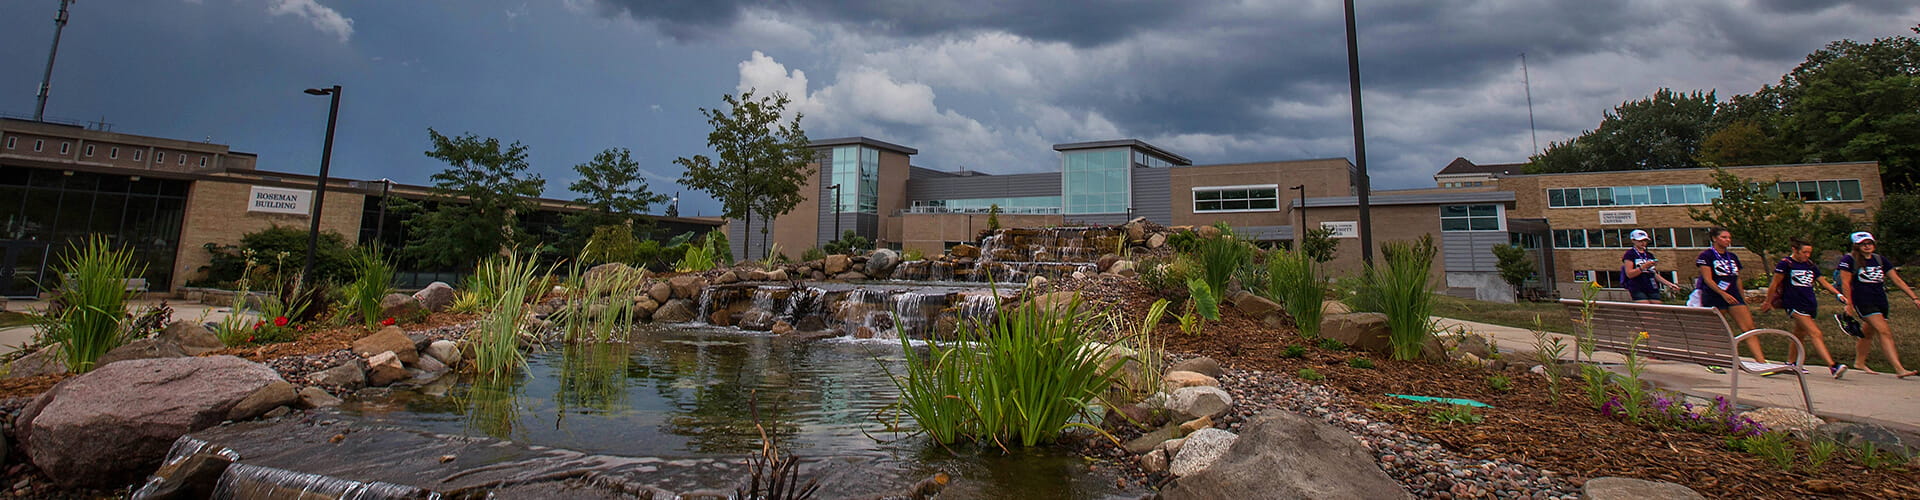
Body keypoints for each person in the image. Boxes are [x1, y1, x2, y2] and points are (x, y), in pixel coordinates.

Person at [1760, 239, 1849, 378]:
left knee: (1799, 334)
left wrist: (1837, 294)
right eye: (1804, 252)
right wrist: (1768, 301)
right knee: (1815, 333)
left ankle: (1791, 363)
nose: (1807, 255)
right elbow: (1775, 283)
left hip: (1809, 303)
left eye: (1809, 252)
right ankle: (1832, 365)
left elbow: (1822, 281)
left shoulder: (1810, 265)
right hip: (1794, 303)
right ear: (1795, 250)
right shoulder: (1786, 264)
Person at [1836, 231, 1920, 378]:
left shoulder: (1880, 260)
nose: (1867, 246)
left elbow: (1897, 280)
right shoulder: (1849, 260)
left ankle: (1859, 362)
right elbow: (1846, 283)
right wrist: (1848, 304)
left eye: (1869, 243)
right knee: (1884, 331)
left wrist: (1914, 297)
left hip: (1880, 300)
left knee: (1869, 332)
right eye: (1863, 244)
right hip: (1863, 301)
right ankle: (1899, 368)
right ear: (1857, 246)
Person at [1697, 228, 1765, 363]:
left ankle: (1760, 360)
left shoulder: (1732, 257)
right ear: (1715, 238)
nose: (1728, 240)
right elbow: (1707, 279)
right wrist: (1722, 293)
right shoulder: (1706, 256)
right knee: (1715, 329)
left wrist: (1742, 295)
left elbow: (1737, 278)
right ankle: (1712, 359)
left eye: (1729, 237)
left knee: (1749, 327)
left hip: (1733, 295)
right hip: (1714, 296)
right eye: (1724, 237)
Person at [1622, 229, 1684, 304]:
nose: (1643, 243)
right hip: (1637, 286)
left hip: (1651, 285)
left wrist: (1669, 284)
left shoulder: (1649, 255)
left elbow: (1654, 273)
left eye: (1645, 241)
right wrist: (1643, 267)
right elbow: (1629, 274)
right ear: (1633, 240)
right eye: (1640, 241)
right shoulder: (1630, 254)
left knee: (1657, 306)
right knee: (1645, 307)